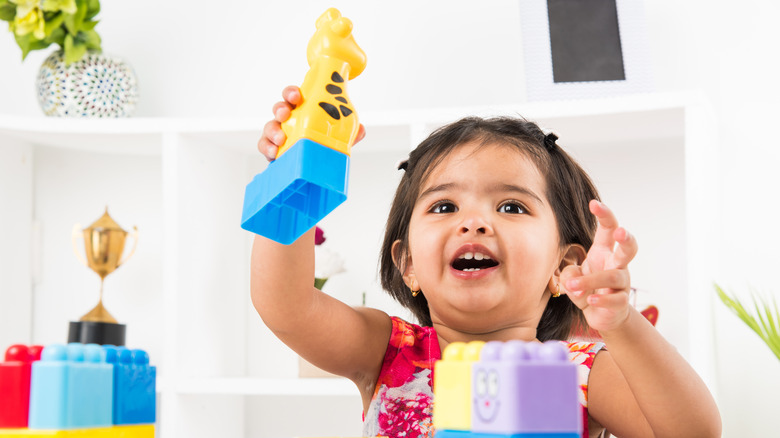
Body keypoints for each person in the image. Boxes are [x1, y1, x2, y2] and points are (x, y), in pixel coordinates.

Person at [251, 86, 721, 438]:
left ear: (565, 266)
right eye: (444, 206)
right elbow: (286, 304)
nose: (474, 223)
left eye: (512, 207)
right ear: (408, 263)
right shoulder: (386, 352)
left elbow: (692, 434)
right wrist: (297, 176)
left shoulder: (579, 370)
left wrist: (620, 323)